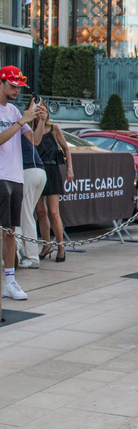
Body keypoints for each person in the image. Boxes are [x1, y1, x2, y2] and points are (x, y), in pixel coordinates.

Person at [0, 65, 45, 300]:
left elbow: (35, 141)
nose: (17, 90)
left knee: (10, 231)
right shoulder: (14, 115)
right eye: (12, 85)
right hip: (1, 177)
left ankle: (10, 281)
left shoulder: (16, 112)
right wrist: (21, 121)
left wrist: (40, 121)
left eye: (19, 86)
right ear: (1, 83)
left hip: (15, 177)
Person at [34, 102, 73, 263]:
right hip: (37, 169)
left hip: (52, 169)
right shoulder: (30, 129)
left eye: (43, 110)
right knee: (40, 211)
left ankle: (61, 246)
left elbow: (66, 148)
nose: (40, 113)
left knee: (54, 211)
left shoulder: (53, 128)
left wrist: (70, 168)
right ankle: (46, 244)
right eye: (38, 110)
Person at [17, 134, 46, 269]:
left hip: (28, 171)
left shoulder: (12, 131)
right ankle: (21, 253)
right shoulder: (20, 130)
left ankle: (31, 257)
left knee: (24, 215)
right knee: (24, 214)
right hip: (38, 171)